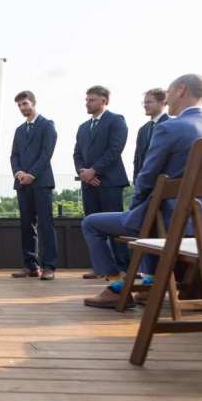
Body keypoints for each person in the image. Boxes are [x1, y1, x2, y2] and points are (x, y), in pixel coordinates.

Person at [82, 74, 202, 309]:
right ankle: (149, 284)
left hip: (167, 222)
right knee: (151, 218)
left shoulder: (171, 127)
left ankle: (117, 285)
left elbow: (146, 178)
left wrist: (135, 208)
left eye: (169, 92)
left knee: (92, 222)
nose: (167, 97)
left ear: (181, 90)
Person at [73, 86, 129, 279]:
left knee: (115, 228)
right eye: (87, 99)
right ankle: (101, 267)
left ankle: (123, 268)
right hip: (88, 183)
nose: (87, 103)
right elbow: (77, 153)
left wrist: (94, 171)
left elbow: (115, 150)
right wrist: (83, 172)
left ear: (105, 101)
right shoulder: (82, 127)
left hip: (110, 183)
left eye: (92, 100)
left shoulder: (116, 120)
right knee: (93, 227)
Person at [9, 91, 59, 281]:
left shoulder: (47, 125)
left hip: (41, 183)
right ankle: (30, 266)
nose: (23, 108)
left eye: (25, 104)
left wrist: (32, 174)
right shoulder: (19, 130)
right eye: (20, 105)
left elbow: (46, 154)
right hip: (22, 184)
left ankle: (49, 267)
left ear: (33, 103)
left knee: (46, 225)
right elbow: (14, 155)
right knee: (26, 226)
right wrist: (19, 173)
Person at [133, 89, 169, 183]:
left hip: (163, 182)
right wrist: (136, 181)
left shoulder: (171, 125)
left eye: (149, 102)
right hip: (143, 184)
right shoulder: (143, 129)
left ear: (162, 103)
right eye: (144, 102)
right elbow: (137, 158)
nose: (145, 105)